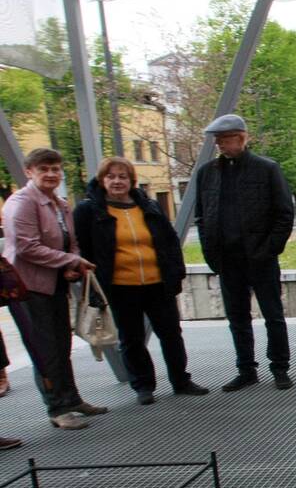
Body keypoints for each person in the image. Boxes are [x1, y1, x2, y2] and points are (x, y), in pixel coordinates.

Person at [74, 157, 209, 405]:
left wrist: (176, 272)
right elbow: (84, 247)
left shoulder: (149, 206)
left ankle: (181, 380)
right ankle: (143, 385)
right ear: (102, 180)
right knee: (131, 338)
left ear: (131, 181)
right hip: (120, 286)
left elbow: (169, 241)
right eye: (111, 176)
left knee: (171, 334)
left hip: (157, 283)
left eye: (122, 176)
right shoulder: (89, 210)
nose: (117, 181)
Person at [2, 148, 106, 430]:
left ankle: (71, 399)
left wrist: (71, 263)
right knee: (45, 350)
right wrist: (70, 261)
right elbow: (26, 247)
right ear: (29, 172)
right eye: (44, 169)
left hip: (54, 284)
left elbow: (71, 242)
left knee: (62, 344)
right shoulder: (21, 202)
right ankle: (57, 408)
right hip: (28, 288)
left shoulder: (59, 204)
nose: (51, 174)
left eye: (55, 169)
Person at [193, 113, 294, 391]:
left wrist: (269, 249)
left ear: (241, 138)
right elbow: (201, 216)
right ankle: (246, 369)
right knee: (237, 318)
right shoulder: (207, 173)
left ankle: (280, 367)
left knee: (273, 315)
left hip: (261, 258)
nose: (221, 145)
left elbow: (284, 214)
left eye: (225, 140)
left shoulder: (266, 169)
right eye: (218, 141)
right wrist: (211, 253)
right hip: (227, 259)